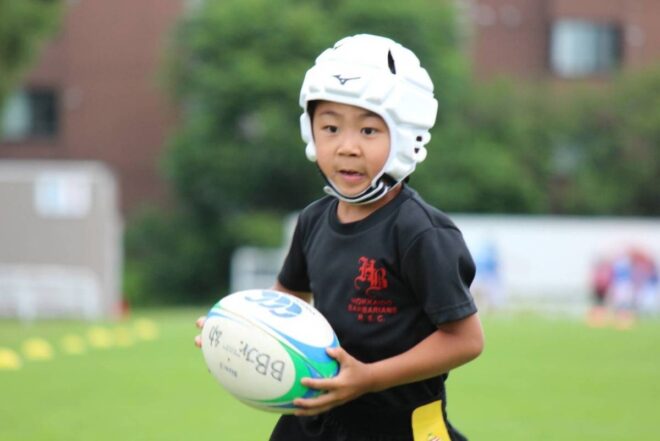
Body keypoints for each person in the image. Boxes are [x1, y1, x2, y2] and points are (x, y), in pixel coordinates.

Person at [196, 34, 484, 441]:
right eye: (330, 128)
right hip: (312, 422)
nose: (347, 147)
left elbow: (465, 340)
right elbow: (288, 298)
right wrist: (238, 328)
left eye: (368, 130)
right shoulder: (313, 220)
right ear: (310, 131)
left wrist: (368, 377)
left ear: (407, 136)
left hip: (398, 429)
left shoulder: (421, 232)